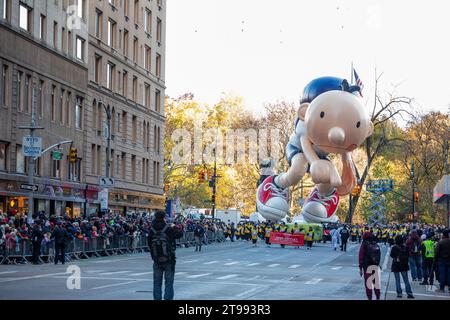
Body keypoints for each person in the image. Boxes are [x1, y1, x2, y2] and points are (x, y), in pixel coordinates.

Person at [148, 211, 183, 300]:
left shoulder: (151, 230)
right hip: (169, 259)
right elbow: (180, 234)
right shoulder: (168, 228)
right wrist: (174, 226)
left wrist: (154, 256)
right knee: (169, 283)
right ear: (164, 218)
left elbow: (149, 245)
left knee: (157, 283)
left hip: (157, 260)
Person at [358, 231, 381, 300]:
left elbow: (361, 256)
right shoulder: (375, 244)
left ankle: (370, 298)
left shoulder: (364, 244)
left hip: (367, 266)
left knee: (368, 284)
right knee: (376, 283)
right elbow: (379, 256)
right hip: (375, 266)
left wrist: (360, 268)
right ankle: (378, 297)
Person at [434, 229, 450, 293]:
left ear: (443, 234)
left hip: (442, 260)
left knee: (442, 274)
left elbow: (436, 252)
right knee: (449, 274)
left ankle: (442, 288)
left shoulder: (440, 242)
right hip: (449, 260)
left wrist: (435, 260)